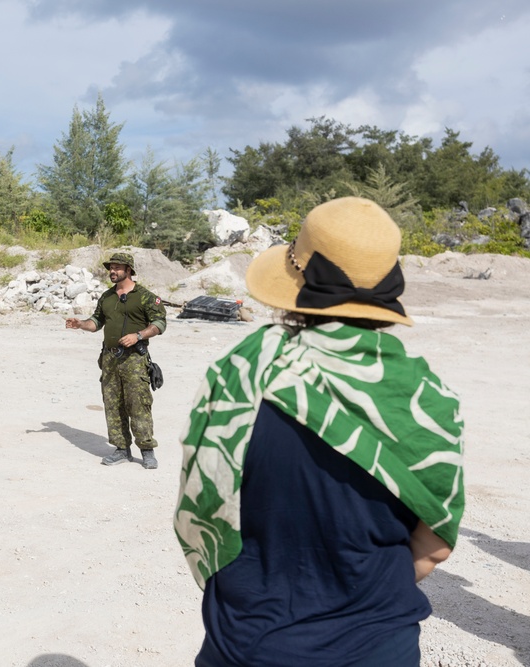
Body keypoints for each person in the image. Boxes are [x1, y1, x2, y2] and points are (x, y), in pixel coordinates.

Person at [174, 197, 465, 667]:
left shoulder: (243, 373)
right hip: (380, 647)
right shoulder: (427, 398)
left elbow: (200, 512)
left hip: (252, 642)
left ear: (295, 282)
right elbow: (434, 547)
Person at [65, 252, 166, 470]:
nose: (112, 271)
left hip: (135, 360)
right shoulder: (107, 297)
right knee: (112, 404)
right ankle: (121, 448)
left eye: (117, 268)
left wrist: (138, 335)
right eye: (111, 267)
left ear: (129, 270)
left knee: (138, 404)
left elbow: (159, 323)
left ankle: (147, 450)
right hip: (110, 358)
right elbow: (96, 321)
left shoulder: (145, 297)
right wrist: (80, 324)